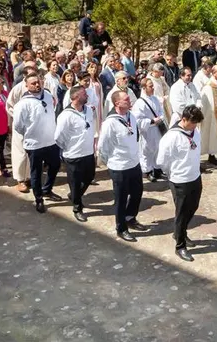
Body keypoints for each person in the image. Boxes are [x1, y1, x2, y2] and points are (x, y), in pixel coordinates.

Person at [156, 105, 204, 262]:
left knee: (193, 207)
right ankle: (180, 245)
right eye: (192, 123)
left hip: (195, 176)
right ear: (183, 120)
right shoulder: (172, 137)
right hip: (180, 180)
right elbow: (162, 161)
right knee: (181, 213)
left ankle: (180, 232)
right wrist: (174, 172)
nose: (195, 126)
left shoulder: (194, 131)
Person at [98, 90, 148, 241]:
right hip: (119, 167)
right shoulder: (110, 123)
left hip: (133, 163)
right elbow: (102, 146)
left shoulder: (131, 116)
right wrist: (110, 162)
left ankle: (130, 217)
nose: (130, 100)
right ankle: (121, 227)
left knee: (137, 192)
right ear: (117, 103)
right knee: (120, 198)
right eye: (126, 99)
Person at [13, 74, 63, 213]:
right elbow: (18, 125)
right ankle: (39, 198)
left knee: (55, 165)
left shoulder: (47, 95)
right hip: (34, 144)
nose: (37, 85)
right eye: (33, 83)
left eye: (38, 82)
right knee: (36, 172)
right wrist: (31, 133)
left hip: (51, 141)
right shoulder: (22, 104)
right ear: (27, 85)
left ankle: (47, 190)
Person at [55, 86, 96, 222]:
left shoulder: (89, 110)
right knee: (75, 181)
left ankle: (74, 195)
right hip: (73, 155)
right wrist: (68, 148)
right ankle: (77, 207)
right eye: (84, 94)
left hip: (88, 152)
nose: (87, 96)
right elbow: (59, 136)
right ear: (76, 97)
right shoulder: (66, 115)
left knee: (89, 177)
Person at [131, 77, 166, 182]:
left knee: (157, 149)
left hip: (157, 129)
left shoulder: (155, 99)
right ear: (144, 88)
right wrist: (151, 121)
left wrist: (160, 117)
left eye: (152, 86)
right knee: (146, 151)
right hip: (147, 130)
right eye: (150, 86)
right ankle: (147, 171)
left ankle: (157, 169)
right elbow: (137, 120)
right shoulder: (139, 103)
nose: (153, 88)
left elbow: (161, 111)